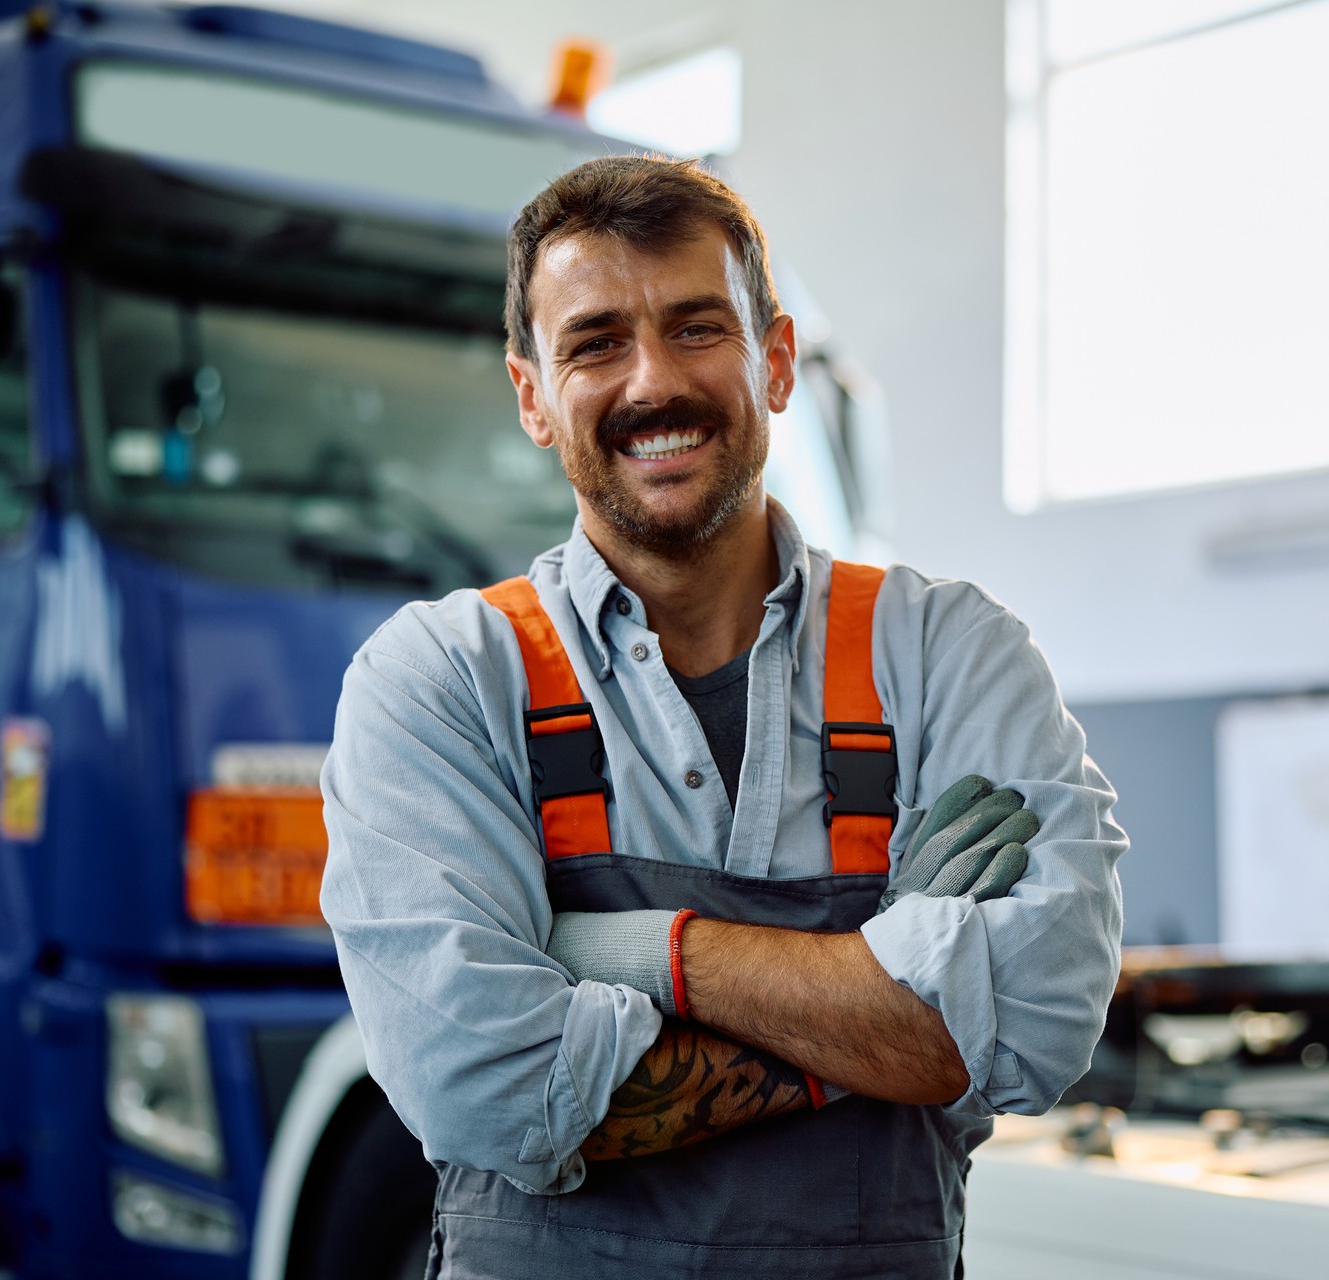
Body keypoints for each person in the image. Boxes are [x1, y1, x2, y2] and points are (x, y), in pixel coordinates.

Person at [319, 155, 1126, 1279]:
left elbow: (1036, 1016)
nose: (654, 380)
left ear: (778, 361)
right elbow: (484, 1087)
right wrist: (884, 1001)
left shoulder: (949, 655)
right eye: (595, 342)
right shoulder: (441, 680)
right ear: (533, 398)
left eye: (698, 327)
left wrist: (632, 950)